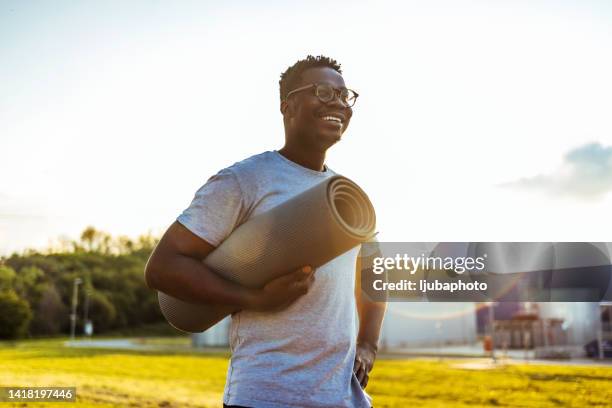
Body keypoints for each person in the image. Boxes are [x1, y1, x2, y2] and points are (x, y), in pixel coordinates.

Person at [145, 55, 386, 408]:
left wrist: (368, 344)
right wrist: (256, 299)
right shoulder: (245, 180)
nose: (337, 102)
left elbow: (376, 277)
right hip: (264, 395)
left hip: (342, 398)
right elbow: (162, 268)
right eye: (322, 91)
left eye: (343, 94)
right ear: (287, 106)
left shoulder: (348, 197)